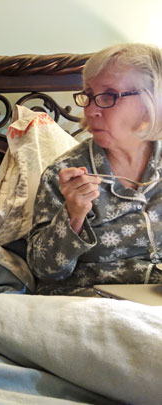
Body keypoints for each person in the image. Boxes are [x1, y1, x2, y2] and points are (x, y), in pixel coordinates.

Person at [26, 43, 162, 296]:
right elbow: (44, 270)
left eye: (109, 95)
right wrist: (73, 215)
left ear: (150, 101)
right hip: (90, 303)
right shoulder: (65, 173)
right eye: (88, 95)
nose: (90, 109)